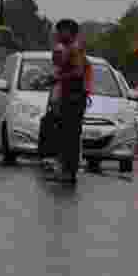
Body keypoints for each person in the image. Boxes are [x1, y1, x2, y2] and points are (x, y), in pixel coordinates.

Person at [46, 19, 90, 185]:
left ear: (69, 32)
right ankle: (65, 170)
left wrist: (58, 77)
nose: (57, 34)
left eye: (60, 31)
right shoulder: (68, 49)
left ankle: (69, 172)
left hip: (74, 98)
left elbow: (78, 73)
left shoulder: (75, 49)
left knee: (70, 136)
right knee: (66, 134)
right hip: (69, 96)